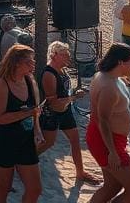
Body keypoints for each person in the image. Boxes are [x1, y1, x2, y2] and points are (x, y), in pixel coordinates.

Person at [85, 44, 130, 203]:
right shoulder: (109, 86)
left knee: (112, 186)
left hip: (110, 139)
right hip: (107, 141)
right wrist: (113, 152)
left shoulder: (108, 77)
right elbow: (102, 119)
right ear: (120, 63)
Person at [0, 45, 43, 203]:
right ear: (16, 63)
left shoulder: (29, 80)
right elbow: (0, 118)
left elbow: (35, 109)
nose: (33, 64)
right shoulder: (1, 84)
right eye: (28, 61)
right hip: (3, 141)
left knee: (35, 188)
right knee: (4, 187)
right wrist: (27, 113)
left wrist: (37, 130)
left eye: (33, 60)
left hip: (25, 140)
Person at [37, 42, 99, 184]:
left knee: (75, 140)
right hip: (52, 113)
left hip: (65, 110)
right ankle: (26, 162)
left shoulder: (62, 70)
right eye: (64, 55)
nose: (68, 57)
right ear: (55, 55)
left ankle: (80, 172)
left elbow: (64, 92)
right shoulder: (49, 73)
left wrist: (73, 94)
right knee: (48, 142)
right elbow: (53, 101)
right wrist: (73, 97)